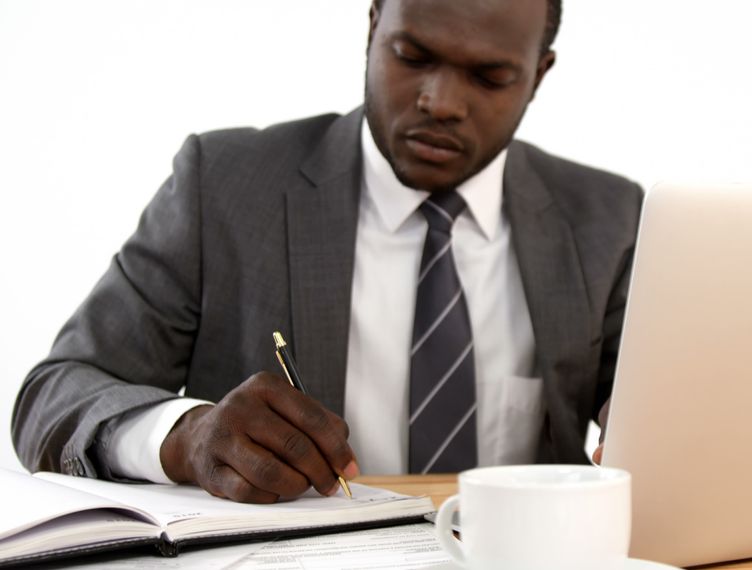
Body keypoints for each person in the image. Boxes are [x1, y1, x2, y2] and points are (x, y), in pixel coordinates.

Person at [12, 0, 641, 504]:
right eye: (413, 55)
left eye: (490, 76)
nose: (441, 102)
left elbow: (652, 411)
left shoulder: (608, 219)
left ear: (539, 73)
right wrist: (188, 435)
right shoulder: (224, 187)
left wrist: (653, 428)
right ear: (373, 28)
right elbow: (53, 396)